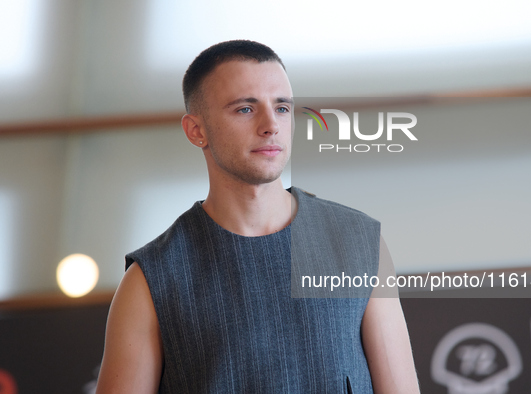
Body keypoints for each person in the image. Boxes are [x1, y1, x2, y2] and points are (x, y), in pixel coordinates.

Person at [96, 40, 419, 393]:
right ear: (196, 130)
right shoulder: (150, 281)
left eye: (281, 108)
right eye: (245, 109)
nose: (270, 125)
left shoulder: (358, 243)